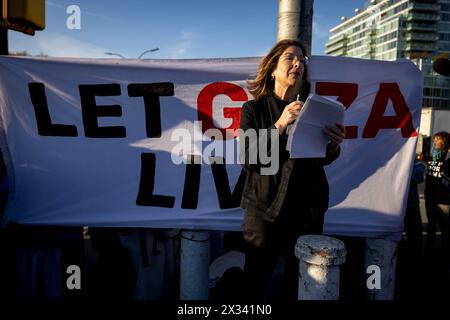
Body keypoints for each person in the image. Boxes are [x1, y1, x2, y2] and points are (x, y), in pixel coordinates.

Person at [238, 39, 345, 299]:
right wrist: (281, 124)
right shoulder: (254, 108)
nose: (298, 63)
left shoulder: (314, 107)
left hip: (305, 209)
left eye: (302, 60)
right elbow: (250, 157)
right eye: (290, 57)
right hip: (264, 211)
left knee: (299, 284)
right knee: (255, 282)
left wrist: (333, 144)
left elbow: (320, 158)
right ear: (273, 68)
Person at [424, 131, 450, 253]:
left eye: (437, 140)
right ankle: (429, 248)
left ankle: (444, 251)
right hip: (430, 196)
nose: (434, 142)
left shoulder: (448, 159)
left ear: (445, 143)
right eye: (434, 140)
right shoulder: (433, 157)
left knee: (445, 226)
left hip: (443, 199)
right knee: (431, 223)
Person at [403, 156, 425, 254]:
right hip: (394, 207)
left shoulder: (417, 163)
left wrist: (402, 169)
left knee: (415, 239)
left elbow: (418, 177)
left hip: (410, 206)